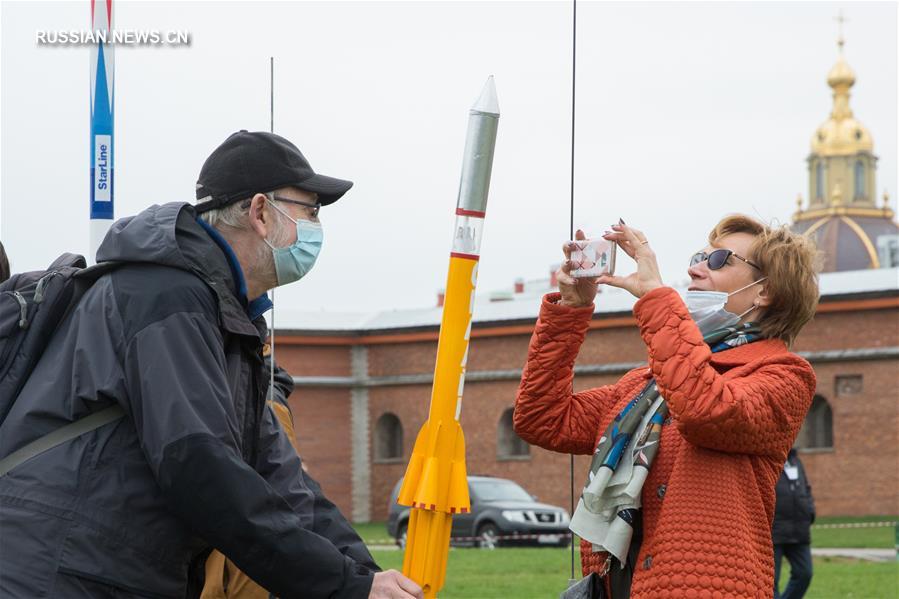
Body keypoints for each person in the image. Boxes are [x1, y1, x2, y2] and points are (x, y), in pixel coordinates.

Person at [0, 130, 422, 599]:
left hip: (108, 568)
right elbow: (198, 463)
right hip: (60, 570)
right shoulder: (166, 296)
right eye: (310, 210)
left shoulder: (228, 317)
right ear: (261, 212)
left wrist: (366, 576)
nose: (315, 226)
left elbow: (278, 476)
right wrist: (346, 587)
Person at [514, 215, 820, 598]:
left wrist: (656, 298)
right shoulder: (647, 383)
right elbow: (542, 419)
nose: (694, 267)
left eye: (719, 259)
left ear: (766, 291)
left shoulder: (784, 375)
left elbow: (704, 411)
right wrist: (570, 311)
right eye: (697, 256)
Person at [772, 448, 815, 599]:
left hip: (799, 530)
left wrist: (810, 512)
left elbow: (806, 488)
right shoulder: (769, 459)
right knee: (771, 582)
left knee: (804, 573)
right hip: (775, 532)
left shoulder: (796, 460)